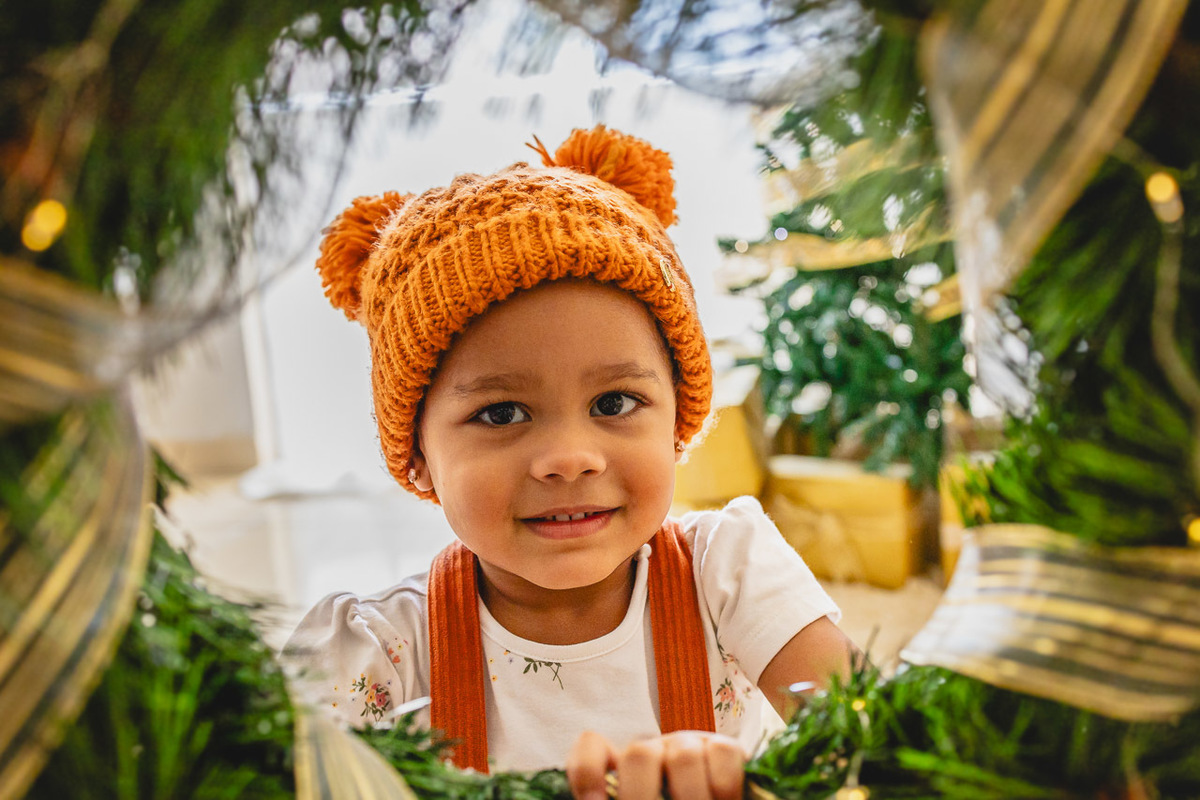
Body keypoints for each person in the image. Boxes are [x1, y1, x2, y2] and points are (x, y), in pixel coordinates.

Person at [284, 125, 856, 799]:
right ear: (419, 462)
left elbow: (879, 747)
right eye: (501, 414)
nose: (569, 459)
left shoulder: (729, 573)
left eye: (614, 401)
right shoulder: (376, 653)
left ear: (679, 420)